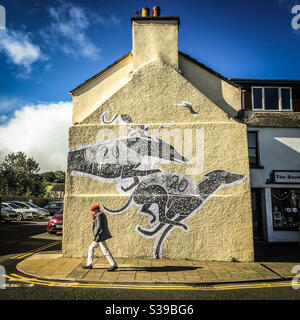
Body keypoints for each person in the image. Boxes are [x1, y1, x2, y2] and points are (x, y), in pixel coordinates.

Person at [83, 204, 118, 271]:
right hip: (99, 236)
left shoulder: (99, 215)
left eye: (93, 210)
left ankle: (114, 265)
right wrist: (94, 219)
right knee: (91, 248)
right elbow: (97, 225)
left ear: (96, 210)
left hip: (100, 236)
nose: (92, 212)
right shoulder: (100, 215)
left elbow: (99, 227)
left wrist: (95, 236)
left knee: (105, 251)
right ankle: (89, 264)